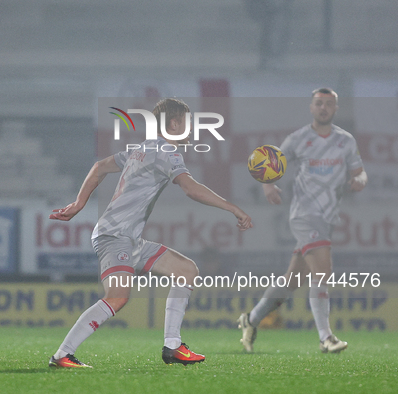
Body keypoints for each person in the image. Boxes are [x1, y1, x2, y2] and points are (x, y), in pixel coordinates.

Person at [48, 98, 253, 368]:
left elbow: (99, 167)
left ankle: (173, 346)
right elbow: (191, 188)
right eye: (188, 124)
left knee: (186, 270)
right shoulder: (167, 152)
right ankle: (63, 354)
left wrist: (79, 203)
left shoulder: (142, 148)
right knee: (118, 297)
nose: (191, 131)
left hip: (129, 238)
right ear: (175, 123)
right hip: (115, 235)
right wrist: (232, 208)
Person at [238, 88, 367, 353]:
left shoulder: (346, 140)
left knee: (291, 282)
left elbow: (360, 173)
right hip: (305, 216)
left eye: (328, 104)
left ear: (335, 108)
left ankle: (250, 319)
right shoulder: (299, 139)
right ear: (311, 107)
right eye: (319, 103)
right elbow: (269, 163)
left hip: (327, 217)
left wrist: (358, 181)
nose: (323, 108)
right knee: (323, 272)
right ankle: (325, 337)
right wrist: (268, 187)